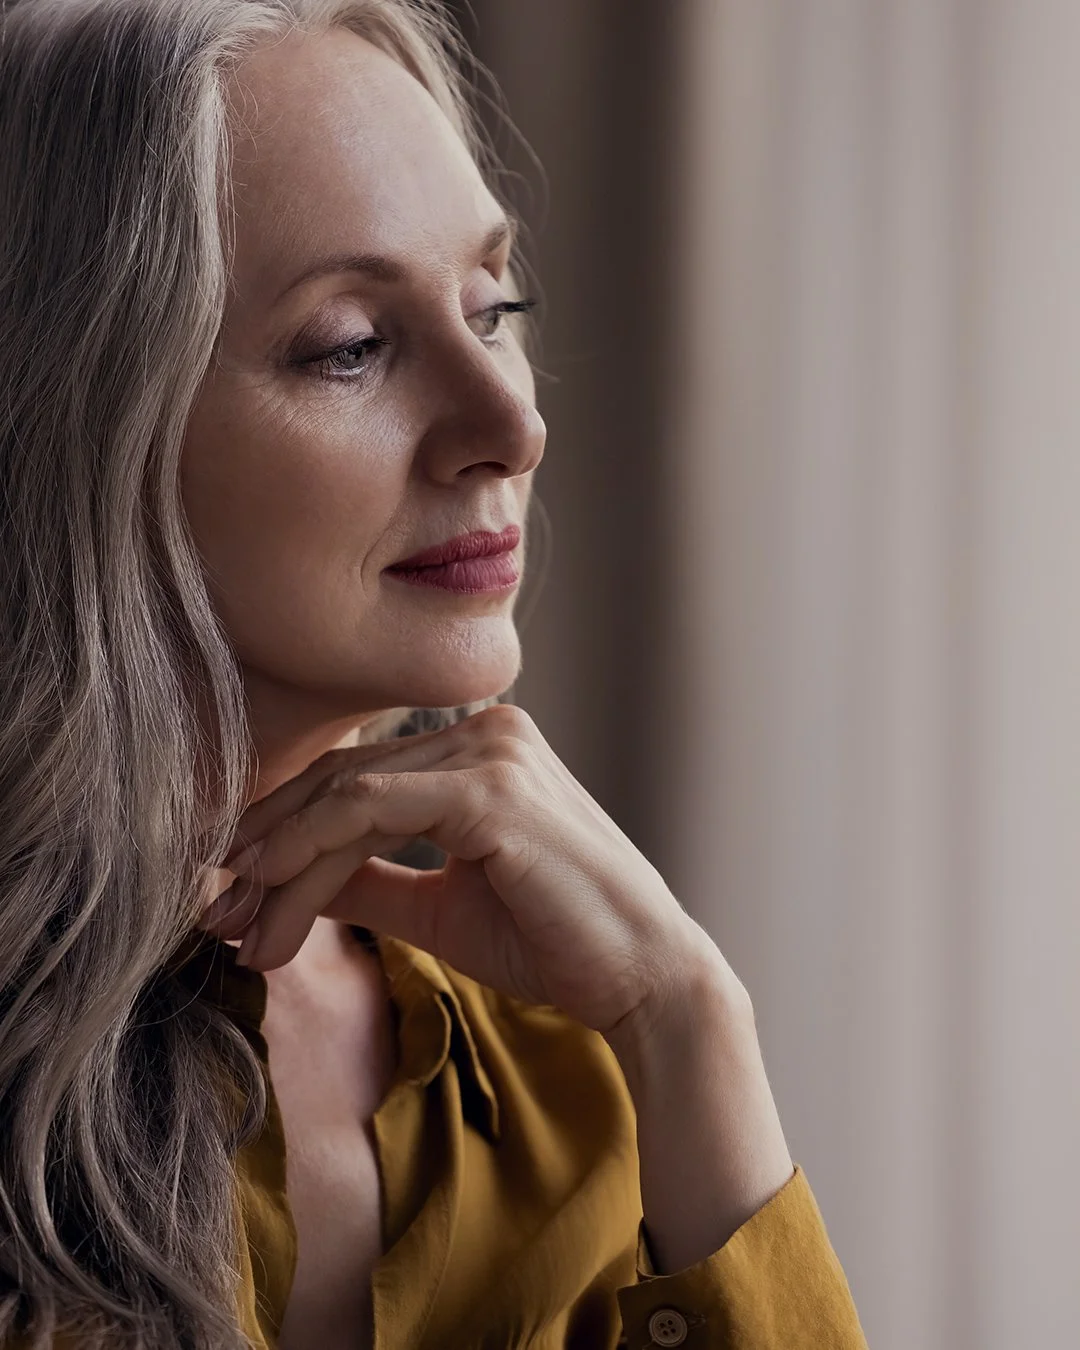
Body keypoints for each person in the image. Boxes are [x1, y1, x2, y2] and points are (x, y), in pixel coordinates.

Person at [0, 2, 871, 1347]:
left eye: (492, 307)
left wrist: (694, 1023)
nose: (513, 424)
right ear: (78, 415)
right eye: (351, 343)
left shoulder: (570, 1065)